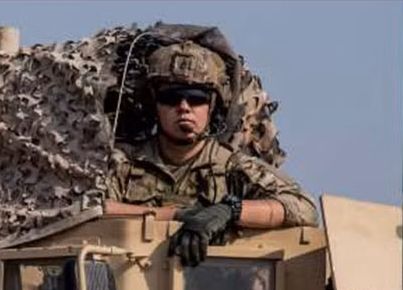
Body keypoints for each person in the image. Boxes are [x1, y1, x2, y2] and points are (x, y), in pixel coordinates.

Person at [110, 41, 318, 267]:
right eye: (171, 97)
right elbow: (91, 209)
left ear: (212, 105)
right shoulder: (123, 164)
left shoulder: (231, 167)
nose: (184, 107)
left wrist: (230, 211)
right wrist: (174, 215)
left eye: (196, 98)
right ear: (155, 104)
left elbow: (303, 208)